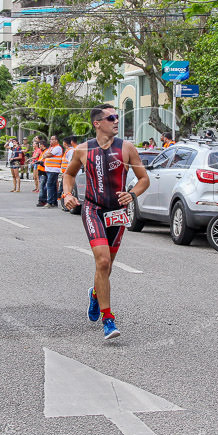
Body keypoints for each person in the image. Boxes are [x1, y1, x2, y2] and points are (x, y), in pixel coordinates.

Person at [63, 105, 150, 340]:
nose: (116, 121)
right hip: (93, 209)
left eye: (117, 117)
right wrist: (67, 194)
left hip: (118, 212)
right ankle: (108, 319)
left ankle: (95, 294)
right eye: (111, 118)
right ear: (97, 123)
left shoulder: (127, 148)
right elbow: (69, 174)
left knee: (107, 267)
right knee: (102, 261)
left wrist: (131, 194)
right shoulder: (82, 150)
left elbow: (144, 179)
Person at [38, 135, 63, 209]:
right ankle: (53, 202)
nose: (50, 141)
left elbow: (49, 155)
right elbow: (45, 154)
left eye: (52, 139)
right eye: (50, 139)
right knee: (52, 186)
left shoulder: (57, 148)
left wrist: (46, 155)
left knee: (49, 185)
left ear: (56, 141)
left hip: (54, 170)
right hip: (49, 169)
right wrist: (46, 155)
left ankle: (49, 202)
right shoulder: (51, 148)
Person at [58, 135, 79, 203]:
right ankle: (62, 201)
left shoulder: (71, 151)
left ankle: (65, 202)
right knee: (63, 188)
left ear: (65, 143)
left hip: (68, 174)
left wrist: (66, 172)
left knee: (65, 189)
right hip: (66, 173)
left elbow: (71, 162)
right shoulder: (68, 150)